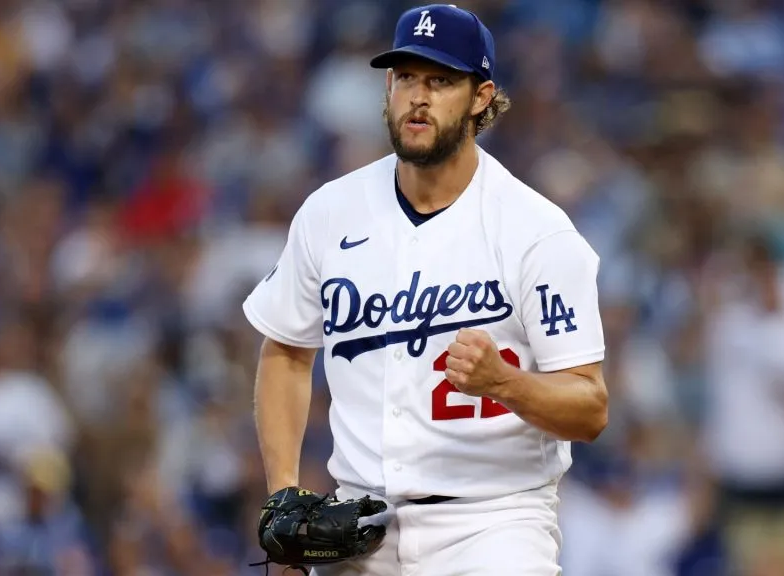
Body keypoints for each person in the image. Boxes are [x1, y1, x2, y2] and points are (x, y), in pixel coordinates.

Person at [242, 4, 608, 575]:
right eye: (406, 77)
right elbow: (286, 351)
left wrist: (506, 383)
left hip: (493, 524)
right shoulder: (330, 212)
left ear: (481, 96)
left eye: (440, 80)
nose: (418, 95)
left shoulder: (536, 232)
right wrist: (284, 495)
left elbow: (589, 407)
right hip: (357, 527)